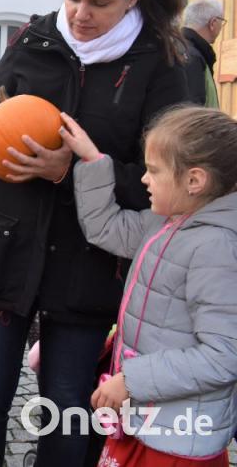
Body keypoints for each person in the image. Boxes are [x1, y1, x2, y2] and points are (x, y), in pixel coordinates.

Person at [0, 0, 188, 465]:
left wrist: (76, 172)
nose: (81, 14)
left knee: (66, 411)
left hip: (89, 262)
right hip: (5, 248)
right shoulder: (34, 39)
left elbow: (167, 180)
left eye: (99, 3)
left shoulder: (163, 63)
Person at [61, 106, 237, 466]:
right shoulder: (164, 224)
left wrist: (132, 381)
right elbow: (105, 227)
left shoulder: (217, 248)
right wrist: (93, 161)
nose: (143, 179)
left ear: (194, 180)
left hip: (179, 439)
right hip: (144, 421)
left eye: (154, 171)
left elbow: (223, 355)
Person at [182, 0, 225, 108]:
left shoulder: (180, 49)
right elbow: (193, 113)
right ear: (213, 23)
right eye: (222, 22)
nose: (221, 27)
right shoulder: (193, 57)